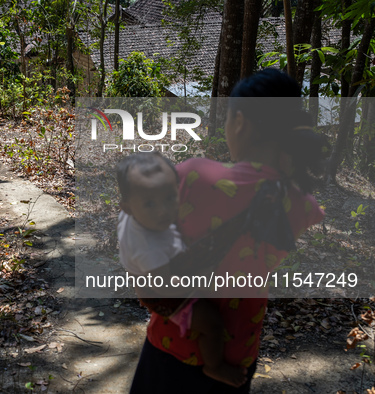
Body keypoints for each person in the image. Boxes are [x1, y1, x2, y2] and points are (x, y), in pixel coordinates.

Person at [129, 68, 327, 393]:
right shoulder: (302, 204)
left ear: (240, 122)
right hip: (238, 354)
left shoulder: (193, 175)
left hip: (173, 345)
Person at [117, 152, 248, 387]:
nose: (163, 211)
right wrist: (203, 279)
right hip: (162, 292)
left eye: (170, 197)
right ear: (127, 207)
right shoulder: (149, 249)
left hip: (150, 274)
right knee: (213, 325)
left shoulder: (136, 212)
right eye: (150, 204)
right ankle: (214, 366)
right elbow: (166, 287)